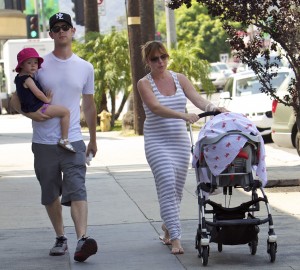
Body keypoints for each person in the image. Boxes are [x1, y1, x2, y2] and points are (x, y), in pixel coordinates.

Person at [10, 12, 98, 262]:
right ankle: (61, 237)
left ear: (73, 31)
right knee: (50, 194)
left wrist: (92, 138)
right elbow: (16, 98)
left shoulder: (85, 67)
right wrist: (30, 116)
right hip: (43, 143)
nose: (61, 31)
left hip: (73, 141)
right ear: (50, 34)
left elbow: (89, 106)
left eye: (65, 27)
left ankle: (82, 239)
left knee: (78, 188)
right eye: (56, 28)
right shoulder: (37, 65)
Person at [137, 40, 227, 255]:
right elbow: (156, 108)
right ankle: (176, 238)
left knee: (175, 191)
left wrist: (215, 108)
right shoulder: (144, 83)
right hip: (156, 141)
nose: (160, 62)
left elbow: (198, 99)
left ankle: (167, 227)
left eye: (163, 57)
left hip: (178, 141)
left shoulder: (180, 79)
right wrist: (183, 115)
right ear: (148, 61)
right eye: (155, 59)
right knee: (167, 182)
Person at [14, 47, 76, 152]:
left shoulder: (18, 78)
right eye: (29, 62)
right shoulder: (28, 79)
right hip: (39, 108)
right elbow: (37, 93)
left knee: (64, 112)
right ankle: (64, 139)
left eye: (35, 62)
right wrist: (47, 99)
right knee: (65, 112)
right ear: (22, 65)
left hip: (30, 108)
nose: (33, 65)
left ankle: (64, 139)